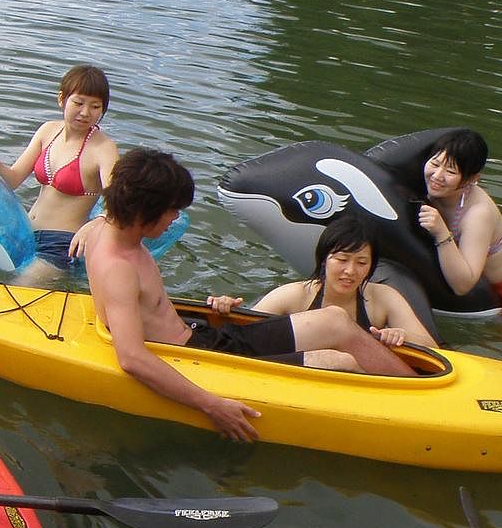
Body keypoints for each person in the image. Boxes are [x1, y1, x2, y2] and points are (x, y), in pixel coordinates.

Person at [86, 149, 414, 443]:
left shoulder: (103, 227)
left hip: (206, 338)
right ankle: (414, 411)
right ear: (144, 209)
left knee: (336, 320)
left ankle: (415, 386)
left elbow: (115, 197)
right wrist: (212, 405)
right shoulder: (118, 267)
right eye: (171, 210)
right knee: (338, 362)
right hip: (199, 360)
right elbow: (131, 358)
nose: (175, 219)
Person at [205, 212, 434, 369]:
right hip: (304, 373)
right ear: (324, 260)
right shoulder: (295, 296)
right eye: (342, 259)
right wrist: (223, 309)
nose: (350, 271)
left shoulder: (382, 298)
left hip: (360, 381)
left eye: (362, 263)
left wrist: (401, 335)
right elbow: (245, 336)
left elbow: (431, 347)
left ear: (372, 266)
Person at [0, 64, 121, 282]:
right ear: (62, 99)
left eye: (95, 106)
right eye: (78, 103)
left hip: (60, 245)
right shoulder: (48, 131)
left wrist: (94, 225)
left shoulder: (103, 149)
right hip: (24, 232)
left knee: (16, 289)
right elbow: (12, 180)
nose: (85, 113)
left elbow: (119, 202)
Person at [416, 128, 502, 326]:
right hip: (491, 292)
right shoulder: (431, 187)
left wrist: (441, 232)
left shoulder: (477, 214)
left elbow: (463, 285)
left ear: (472, 179)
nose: (437, 176)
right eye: (435, 163)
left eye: (450, 171)